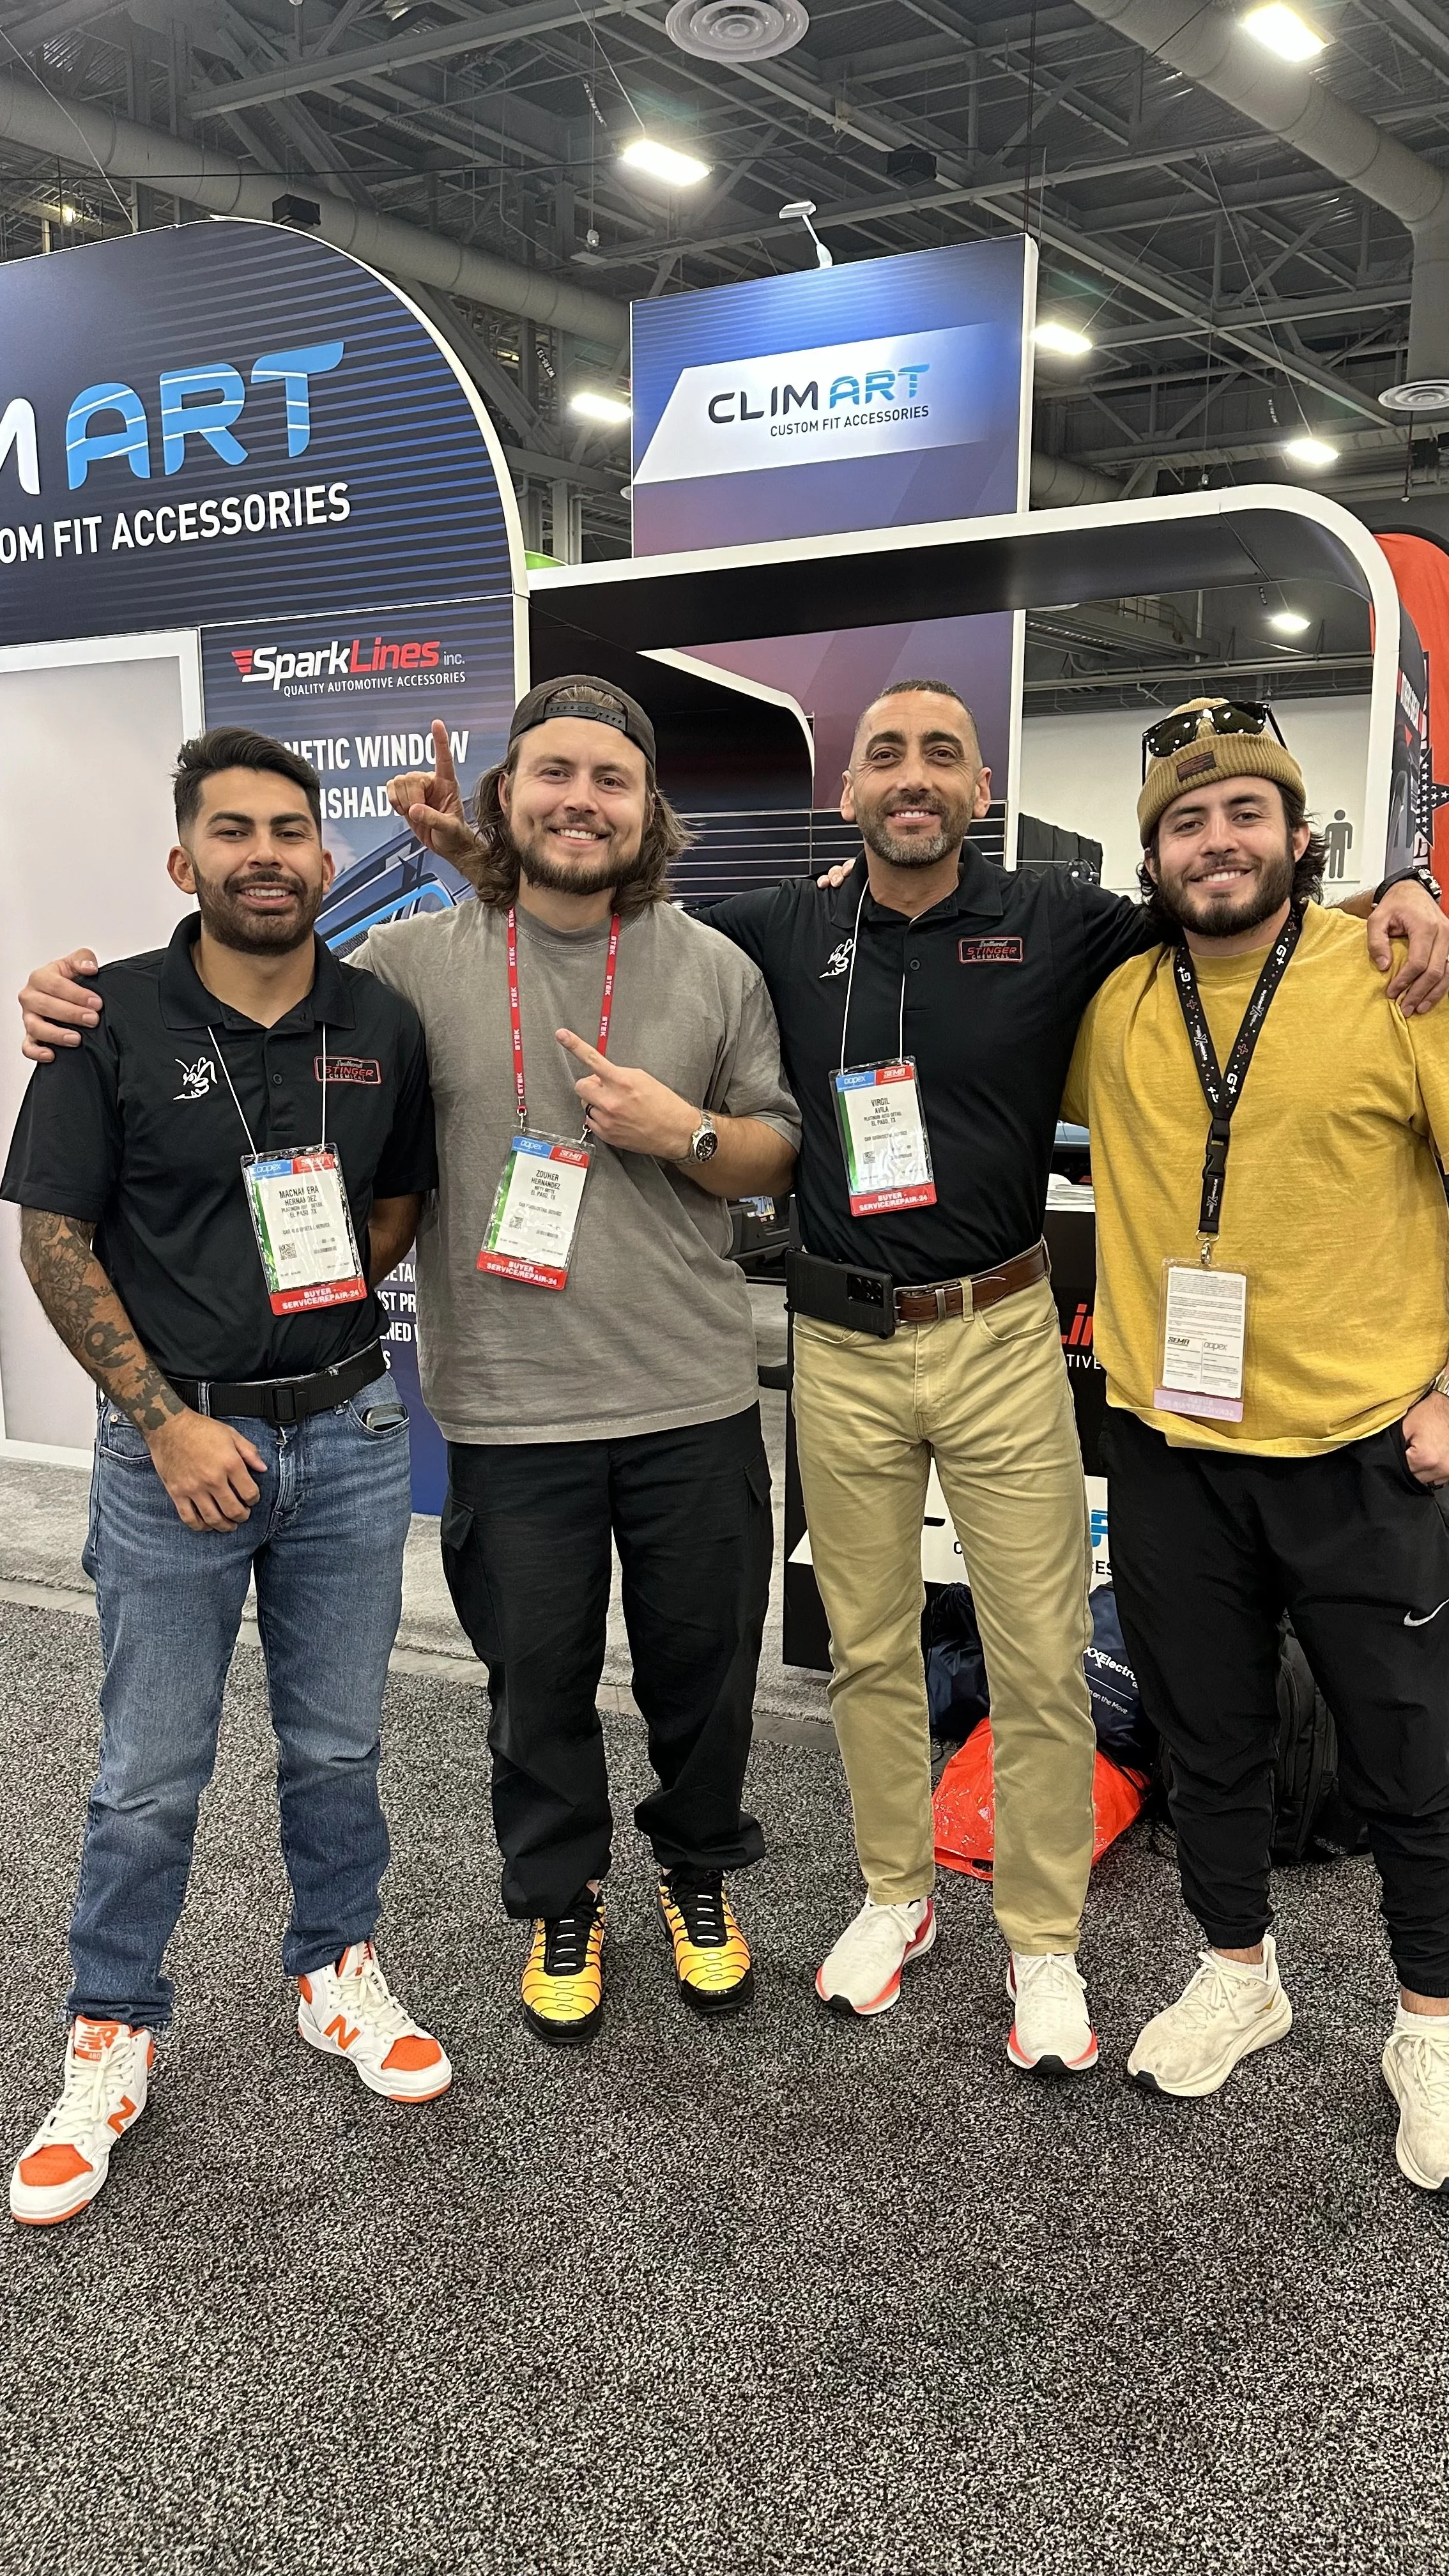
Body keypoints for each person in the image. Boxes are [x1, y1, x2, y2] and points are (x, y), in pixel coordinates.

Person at [17, 677, 800, 2048]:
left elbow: (775, 1152)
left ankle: (697, 1874)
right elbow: (250, 984)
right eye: (550, 772)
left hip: (692, 1396)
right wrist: (66, 999)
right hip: (506, 1406)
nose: (580, 799)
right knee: (533, 1683)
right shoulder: (403, 975)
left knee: (704, 1671)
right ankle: (564, 1896)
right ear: (508, 798)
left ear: (648, 806)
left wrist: (684, 1132)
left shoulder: (716, 967)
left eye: (610, 779)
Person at [687, 680, 1449, 2074]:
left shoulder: (1072, 928)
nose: (912, 778)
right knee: (877, 1648)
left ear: (984, 793)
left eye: (942, 754)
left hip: (1020, 1340)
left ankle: (1055, 1945)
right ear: (848, 792)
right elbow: (612, 916)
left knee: (1059, 1661)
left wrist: (1411, 887)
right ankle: (901, 1899)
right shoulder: (798, 932)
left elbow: (1271, 911)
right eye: (885, 756)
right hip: (861, 1345)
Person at [4, 727, 448, 2229]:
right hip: (166, 1452)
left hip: (347, 1437)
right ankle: (110, 2029)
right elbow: (51, 1241)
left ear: (326, 860)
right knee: (147, 1772)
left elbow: (393, 1202)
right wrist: (171, 1416)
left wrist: (308, 1348)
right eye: (234, 832)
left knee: (336, 1748)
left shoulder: (381, 1019)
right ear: (183, 862)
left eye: (292, 831)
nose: (268, 854)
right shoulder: (105, 1019)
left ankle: (336, 1969)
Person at [1061, 698, 1449, 2193]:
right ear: (1152, 850)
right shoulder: (1119, 1005)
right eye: (1185, 820)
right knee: (1209, 1745)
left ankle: (1427, 2019)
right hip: (1171, 1446)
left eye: (1245, 814)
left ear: (1300, 834)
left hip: (1361, 1448)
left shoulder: (1392, 978)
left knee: (1413, 1756)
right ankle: (1241, 1968)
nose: (1216, 842)